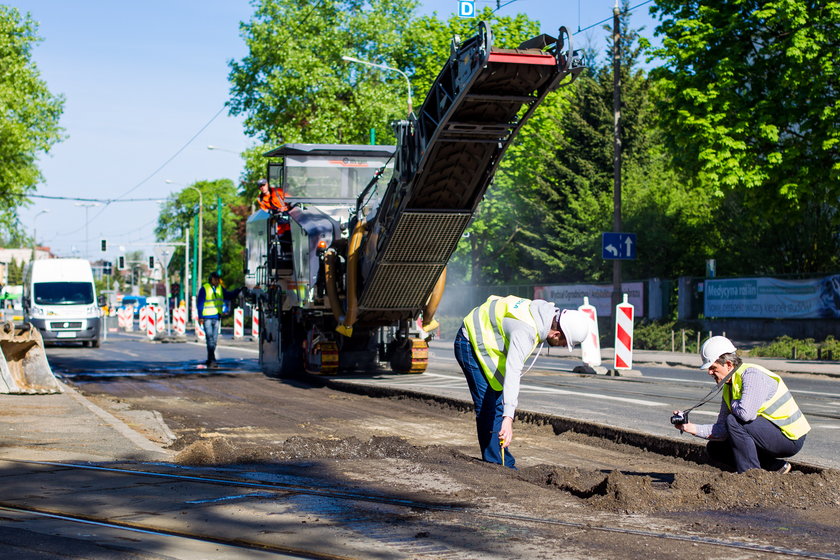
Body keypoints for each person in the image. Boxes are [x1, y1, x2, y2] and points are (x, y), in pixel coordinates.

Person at [454, 295, 593, 468]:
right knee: (488, 406)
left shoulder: (543, 312)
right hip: (469, 341)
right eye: (564, 342)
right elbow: (513, 370)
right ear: (556, 333)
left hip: (487, 340)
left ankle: (502, 460)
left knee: (496, 402)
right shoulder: (525, 331)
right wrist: (508, 418)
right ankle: (496, 465)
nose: (563, 346)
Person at [672, 336, 810, 474]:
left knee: (734, 421)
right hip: (770, 435)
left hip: (789, 437)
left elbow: (745, 414)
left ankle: (751, 476)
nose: (709, 372)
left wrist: (733, 405)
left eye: (713, 368)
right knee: (715, 449)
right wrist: (688, 427)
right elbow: (722, 430)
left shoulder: (751, 375)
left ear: (729, 364)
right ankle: (776, 467)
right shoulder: (729, 386)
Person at [196, 271, 241, 368]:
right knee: (210, 338)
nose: (217, 281)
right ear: (211, 279)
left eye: (218, 279)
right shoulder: (205, 288)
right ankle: (212, 359)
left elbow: (229, 296)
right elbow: (200, 303)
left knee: (214, 340)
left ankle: (210, 358)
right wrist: (200, 317)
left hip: (216, 317)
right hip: (207, 317)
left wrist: (238, 290)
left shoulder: (220, 289)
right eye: (215, 279)